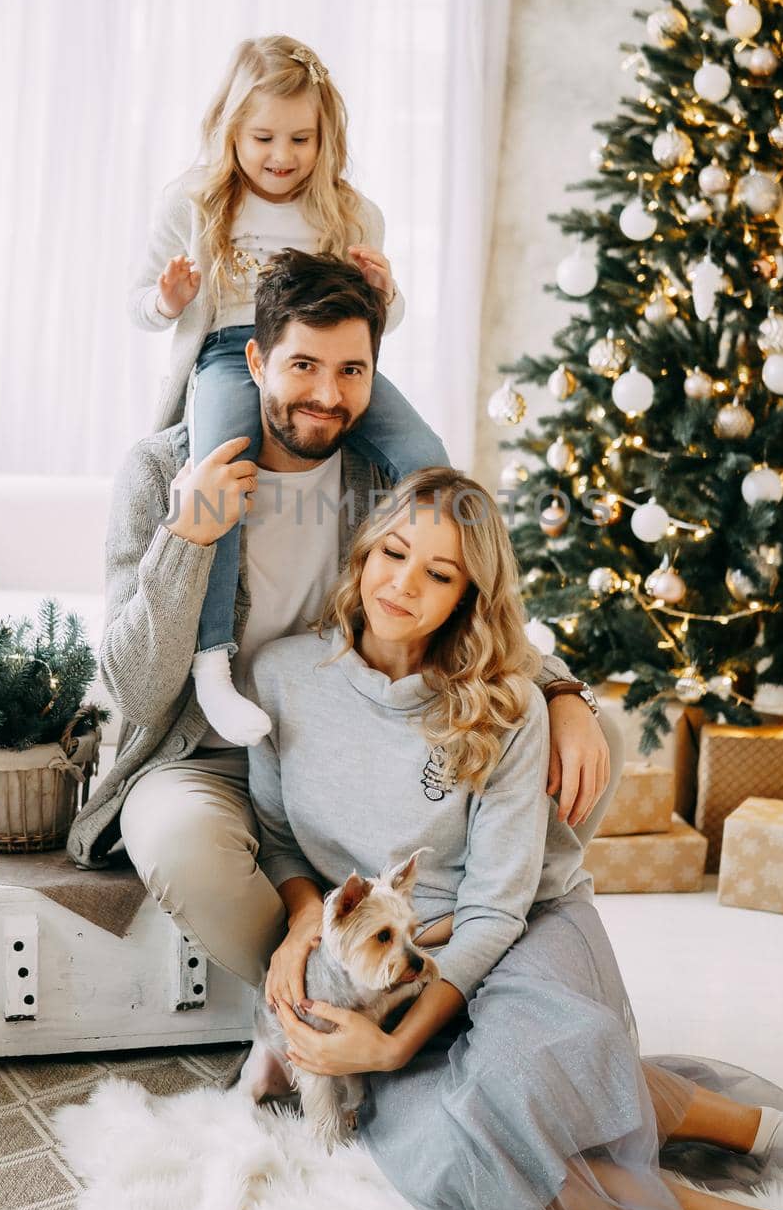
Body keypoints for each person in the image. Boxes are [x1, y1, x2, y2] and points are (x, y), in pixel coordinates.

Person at [246, 467, 783, 1210]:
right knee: (469, 1153)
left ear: (469, 595)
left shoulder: (505, 702)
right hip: (386, 955)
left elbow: (495, 905)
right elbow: (277, 836)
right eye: (392, 552)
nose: (404, 584)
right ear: (362, 552)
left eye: (440, 573)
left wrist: (389, 1050)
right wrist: (306, 922)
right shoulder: (282, 676)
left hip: (522, 926)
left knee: (534, 1078)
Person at [69, 253, 617, 997]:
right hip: (201, 748)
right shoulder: (159, 469)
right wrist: (187, 541)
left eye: (351, 371)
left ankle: (459, 951)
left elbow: (468, 588)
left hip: (358, 740)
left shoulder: (381, 472)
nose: (326, 396)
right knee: (178, 843)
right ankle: (319, 1000)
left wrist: (561, 691)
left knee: (593, 738)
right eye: (302, 365)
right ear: (256, 360)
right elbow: (134, 690)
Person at [129, 34, 448, 746]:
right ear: (230, 131)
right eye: (263, 136)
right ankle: (213, 662)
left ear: (324, 135)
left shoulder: (349, 212)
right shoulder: (192, 201)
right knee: (219, 482)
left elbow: (375, 325)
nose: (282, 155)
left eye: (300, 138)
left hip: (323, 356)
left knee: (429, 458)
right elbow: (136, 304)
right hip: (225, 353)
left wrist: (384, 294)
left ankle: (430, 633)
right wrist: (167, 299)